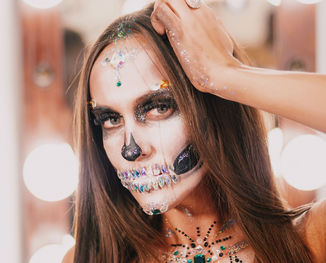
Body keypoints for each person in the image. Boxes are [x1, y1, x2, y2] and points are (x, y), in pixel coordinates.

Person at [63, 1, 326, 262]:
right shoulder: (89, 258)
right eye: (110, 119)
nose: (130, 149)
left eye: (158, 107)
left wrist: (225, 74)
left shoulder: (311, 239)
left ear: (213, 109)